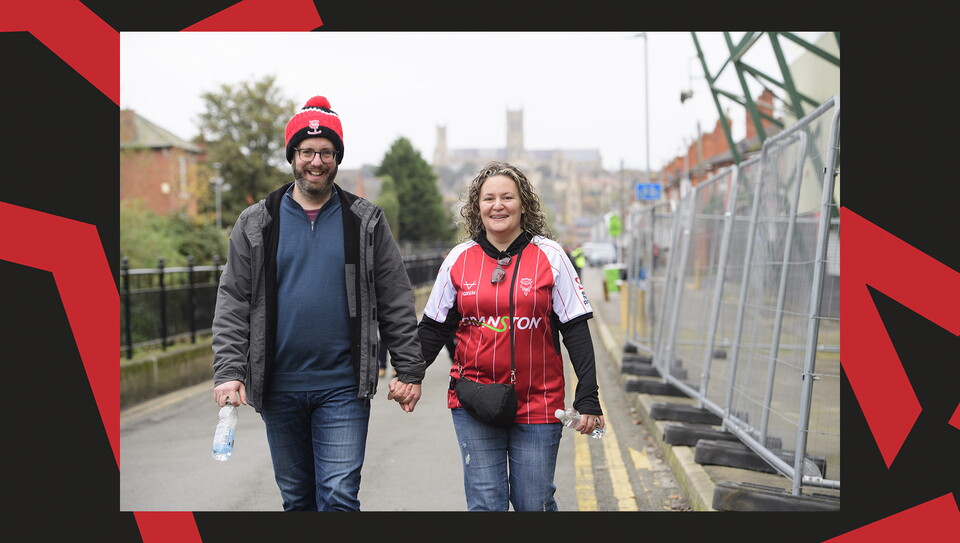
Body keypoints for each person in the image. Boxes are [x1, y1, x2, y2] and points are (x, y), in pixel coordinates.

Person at [211, 95, 425, 511]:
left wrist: (410, 368)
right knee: (297, 500)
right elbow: (234, 300)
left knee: (340, 496)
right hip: (279, 387)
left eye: (326, 152)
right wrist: (229, 371)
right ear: (292, 155)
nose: (316, 161)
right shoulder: (256, 222)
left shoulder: (365, 221)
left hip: (343, 386)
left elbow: (395, 296)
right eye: (307, 151)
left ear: (337, 158)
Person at [395, 160, 604, 511]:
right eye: (489, 198)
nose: (498, 205)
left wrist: (588, 395)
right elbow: (433, 327)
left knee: (533, 503)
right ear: (477, 206)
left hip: (539, 400)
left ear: (524, 204)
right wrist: (409, 375)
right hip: (474, 398)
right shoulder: (459, 259)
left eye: (507, 197)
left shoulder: (551, 256)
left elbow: (575, 328)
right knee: (485, 503)